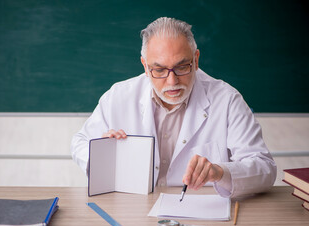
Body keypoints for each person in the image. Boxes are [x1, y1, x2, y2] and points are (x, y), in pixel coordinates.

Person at [71, 17, 277, 198]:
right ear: (145, 66)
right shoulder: (118, 96)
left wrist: (220, 172)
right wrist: (102, 154)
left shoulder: (227, 100)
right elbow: (80, 142)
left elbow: (265, 168)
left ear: (196, 60)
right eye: (159, 69)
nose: (172, 81)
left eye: (181, 67)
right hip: (133, 208)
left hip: (200, 212)